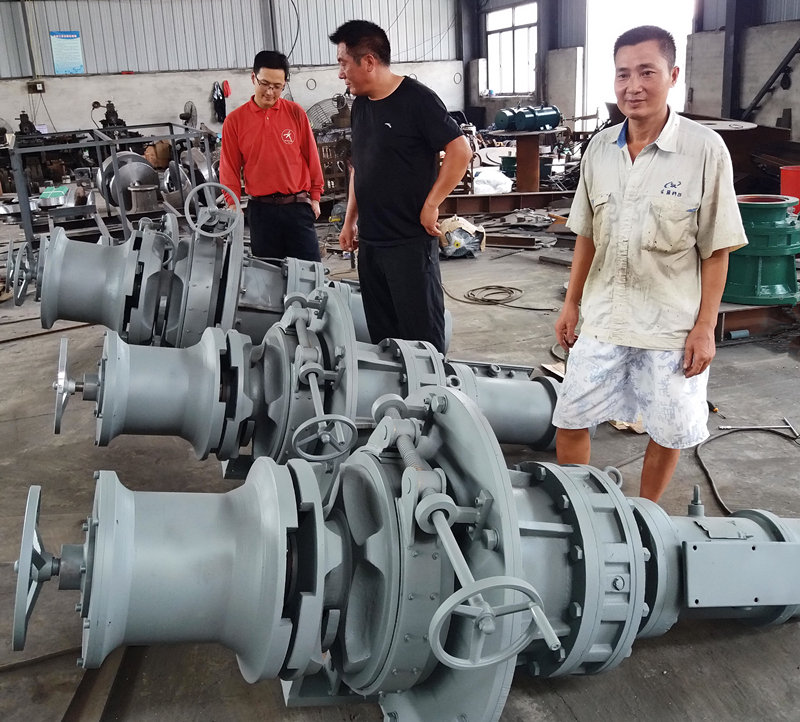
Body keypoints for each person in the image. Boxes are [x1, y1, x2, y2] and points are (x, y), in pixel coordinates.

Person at [552, 25, 748, 502]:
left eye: (646, 72)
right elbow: (587, 235)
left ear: (673, 76)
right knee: (570, 418)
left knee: (667, 429)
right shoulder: (600, 149)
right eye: (623, 74)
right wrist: (572, 303)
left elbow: (716, 249)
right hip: (605, 316)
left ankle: (643, 514)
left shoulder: (704, 150)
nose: (633, 86)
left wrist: (705, 327)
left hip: (669, 326)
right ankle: (583, 513)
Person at [329, 20, 472, 354]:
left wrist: (432, 204)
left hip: (408, 245)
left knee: (422, 340)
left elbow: (460, 150)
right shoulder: (361, 105)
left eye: (343, 63)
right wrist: (350, 220)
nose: (340, 74)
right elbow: (359, 168)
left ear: (368, 61)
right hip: (371, 245)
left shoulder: (417, 100)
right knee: (384, 341)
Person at [219, 50, 323, 262]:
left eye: (277, 86)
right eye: (264, 83)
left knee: (309, 272)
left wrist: (315, 196)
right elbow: (229, 166)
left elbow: (311, 156)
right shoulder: (235, 121)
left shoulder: (295, 113)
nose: (270, 92)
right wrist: (233, 203)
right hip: (261, 212)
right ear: (253, 77)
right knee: (267, 274)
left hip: (297, 208)